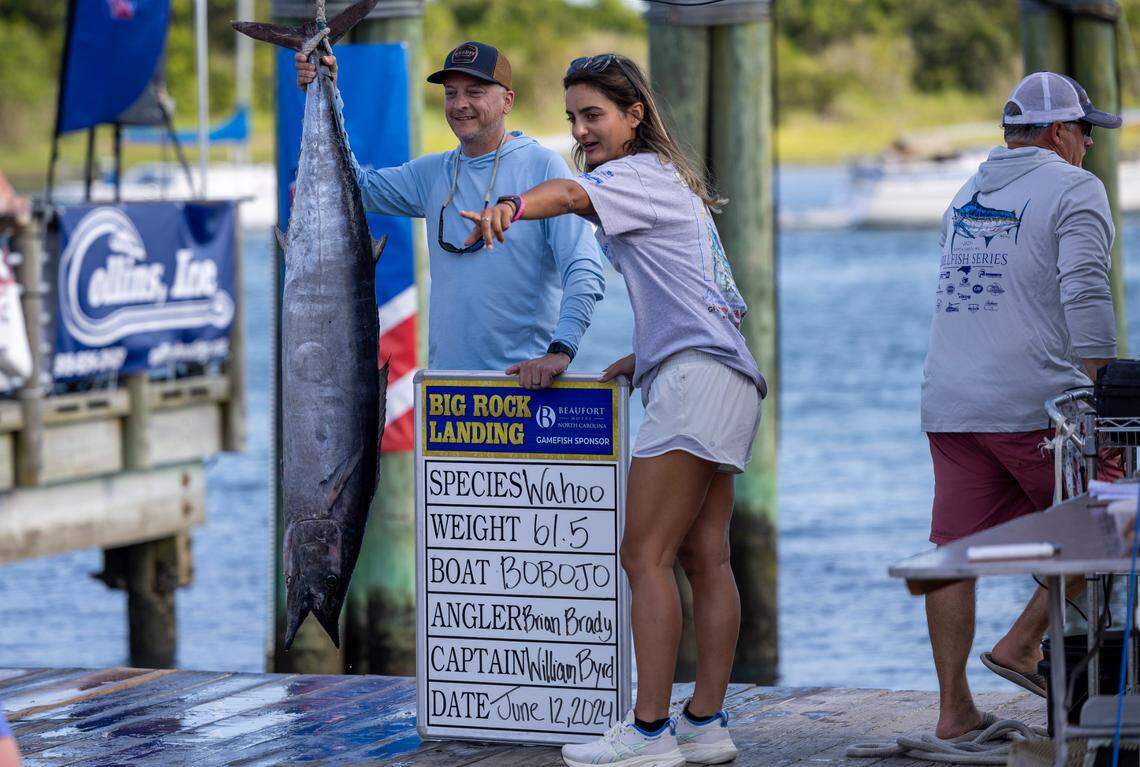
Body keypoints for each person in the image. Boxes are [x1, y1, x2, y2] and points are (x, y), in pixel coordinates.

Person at [461, 53, 766, 767]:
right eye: (571, 117)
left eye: (593, 114)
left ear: (635, 115)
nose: (581, 129)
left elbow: (566, 195)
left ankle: (649, 731)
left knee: (642, 554)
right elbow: (701, 297)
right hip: (726, 375)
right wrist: (646, 351)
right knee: (706, 557)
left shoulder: (631, 175)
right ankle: (705, 723)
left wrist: (511, 205)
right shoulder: (669, 182)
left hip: (695, 382)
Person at [920, 71, 1120, 739]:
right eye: (1087, 133)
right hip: (1034, 403)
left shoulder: (965, 192)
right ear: (1062, 132)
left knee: (956, 551)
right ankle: (1024, 643)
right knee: (1117, 520)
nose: (1089, 147)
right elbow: (1087, 296)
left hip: (950, 401)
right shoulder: (1074, 187)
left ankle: (954, 710)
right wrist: (1109, 393)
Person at [295, 42, 605, 387]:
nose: (460, 104)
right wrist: (326, 93)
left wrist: (561, 350)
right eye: (451, 93)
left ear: (508, 101)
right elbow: (353, 187)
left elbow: (584, 269)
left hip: (523, 387)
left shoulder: (543, 166)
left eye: (475, 92)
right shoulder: (432, 172)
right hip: (448, 392)